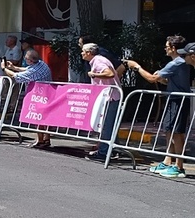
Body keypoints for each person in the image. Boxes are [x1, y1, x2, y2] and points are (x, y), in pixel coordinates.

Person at [124, 36, 192, 179]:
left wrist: (137, 67)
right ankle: (168, 161)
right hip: (173, 98)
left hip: (178, 100)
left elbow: (151, 79)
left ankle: (179, 166)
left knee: (176, 133)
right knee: (168, 130)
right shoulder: (176, 63)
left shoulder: (177, 63)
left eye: (167, 46)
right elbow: (167, 80)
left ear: (173, 48)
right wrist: (163, 79)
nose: (165, 48)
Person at [3, 48, 53, 148]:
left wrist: (4, 69)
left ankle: (40, 140)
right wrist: (14, 67)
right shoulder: (41, 64)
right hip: (47, 94)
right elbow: (27, 69)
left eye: (26, 58)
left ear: (30, 60)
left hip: (39, 96)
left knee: (37, 117)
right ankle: (46, 138)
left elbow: (16, 76)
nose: (25, 59)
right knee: (44, 118)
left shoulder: (34, 71)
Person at [82, 42, 121, 161]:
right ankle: (114, 149)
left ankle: (103, 153)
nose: (81, 53)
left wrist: (93, 74)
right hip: (110, 97)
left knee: (106, 126)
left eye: (83, 51)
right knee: (110, 125)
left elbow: (109, 73)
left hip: (110, 97)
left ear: (89, 53)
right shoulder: (98, 60)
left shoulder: (98, 61)